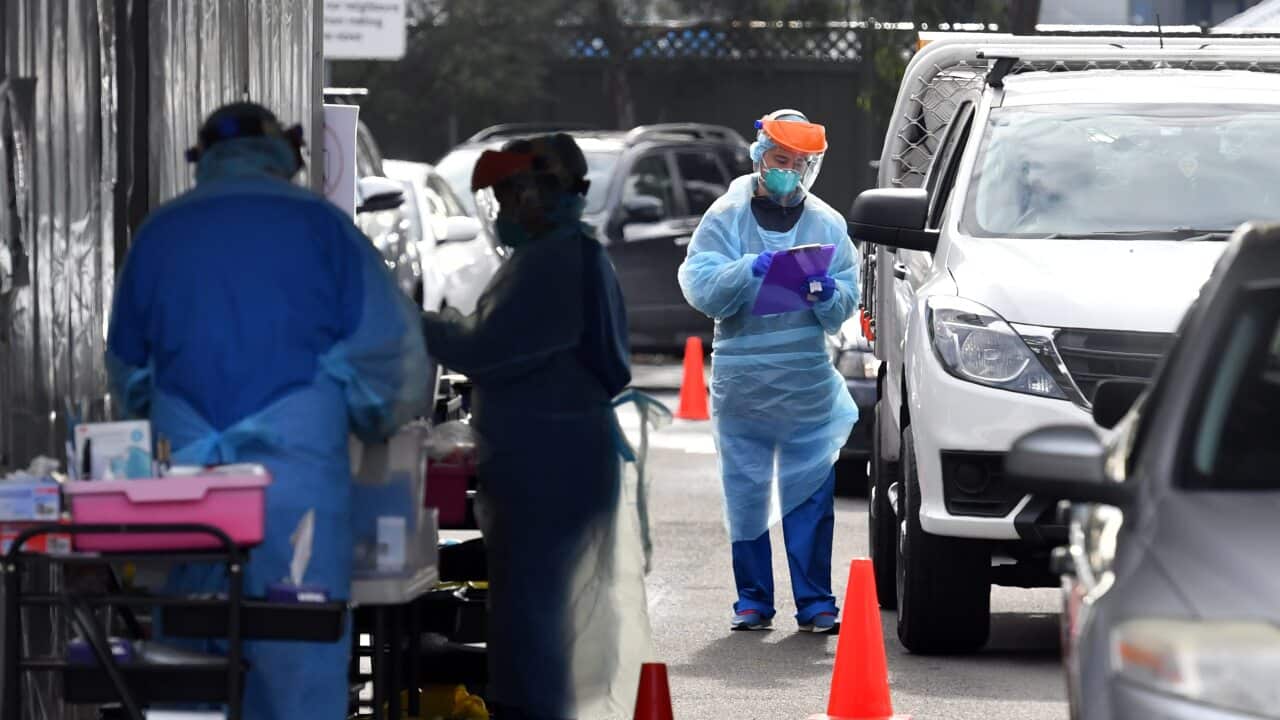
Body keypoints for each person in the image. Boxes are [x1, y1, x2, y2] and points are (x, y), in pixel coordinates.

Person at [106, 102, 429, 719]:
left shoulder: (161, 233)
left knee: (192, 661)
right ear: (284, 153)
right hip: (296, 481)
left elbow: (128, 372)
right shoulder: (324, 229)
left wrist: (177, 415)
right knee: (296, 654)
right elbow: (391, 361)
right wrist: (367, 418)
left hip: (188, 488)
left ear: (203, 158)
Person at [420, 133, 636, 720]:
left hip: (549, 465)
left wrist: (417, 323)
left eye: (510, 194)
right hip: (556, 459)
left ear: (541, 193)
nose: (505, 210)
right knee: (539, 616)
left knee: (533, 622)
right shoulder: (569, 253)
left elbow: (489, 346)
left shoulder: (553, 261)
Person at [678, 109, 859, 633]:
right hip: (744, 381)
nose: (790, 172)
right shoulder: (726, 216)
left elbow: (845, 297)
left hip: (804, 380)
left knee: (810, 493)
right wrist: (748, 268)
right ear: (760, 156)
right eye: (781, 160)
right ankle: (753, 601)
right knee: (747, 492)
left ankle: (816, 603)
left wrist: (830, 293)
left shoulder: (826, 222)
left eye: (800, 164)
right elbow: (699, 286)